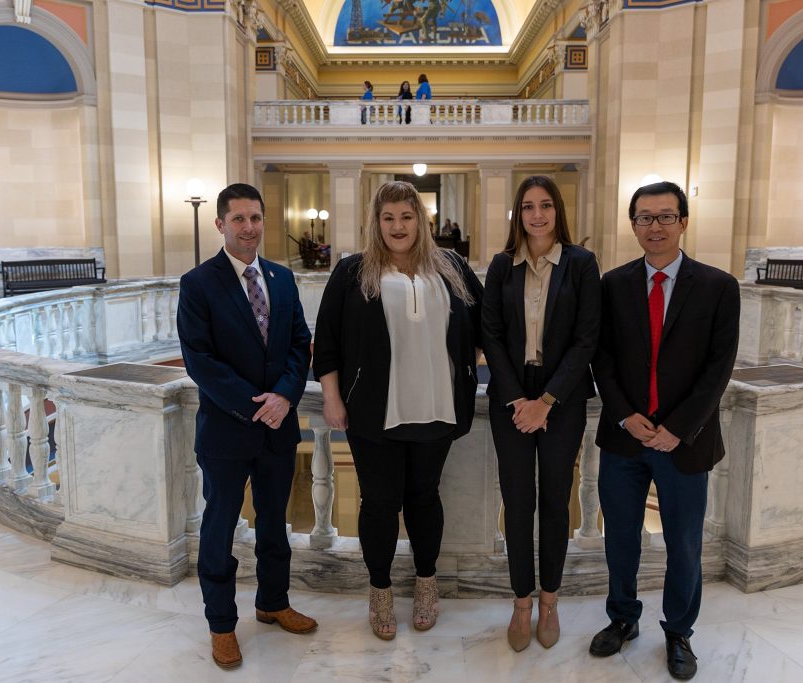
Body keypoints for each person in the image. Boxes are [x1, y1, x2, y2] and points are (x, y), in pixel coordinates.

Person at [313, 180, 483, 641]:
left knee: (425, 499)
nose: (397, 226)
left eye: (406, 217)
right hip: (373, 414)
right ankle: (381, 590)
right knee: (380, 505)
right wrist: (332, 395)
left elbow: (487, 328)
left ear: (421, 220)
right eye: (388, 218)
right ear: (376, 222)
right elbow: (325, 340)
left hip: (437, 409)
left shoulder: (451, 268)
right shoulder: (352, 272)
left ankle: (427, 585)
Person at [588, 181, 740, 680]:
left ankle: (679, 632)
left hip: (685, 444)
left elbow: (719, 367)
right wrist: (623, 413)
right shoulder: (611, 284)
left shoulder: (718, 286)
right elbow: (602, 357)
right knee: (621, 540)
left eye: (665, 217)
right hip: (624, 439)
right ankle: (622, 618)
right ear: (633, 224)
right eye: (644, 218)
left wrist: (678, 428)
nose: (654, 227)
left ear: (684, 222)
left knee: (683, 542)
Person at [177, 183, 317, 670]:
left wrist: (285, 395)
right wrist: (257, 405)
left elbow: (301, 343)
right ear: (220, 224)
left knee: (276, 524)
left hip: (278, 429)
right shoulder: (198, 283)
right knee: (219, 529)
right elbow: (201, 360)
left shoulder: (281, 278)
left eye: (255, 217)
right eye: (238, 219)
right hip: (226, 432)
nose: (249, 227)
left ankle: (273, 603)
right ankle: (221, 625)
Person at [481, 175, 601, 652]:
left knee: (555, 500)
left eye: (545, 205)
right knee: (517, 501)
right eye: (528, 206)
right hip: (511, 397)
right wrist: (517, 399)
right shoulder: (500, 266)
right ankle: (521, 602)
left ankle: (550, 600)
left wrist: (546, 401)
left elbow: (586, 338)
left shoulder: (581, 264)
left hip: (561, 398)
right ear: (518, 214)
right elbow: (489, 333)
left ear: (557, 212)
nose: (537, 215)